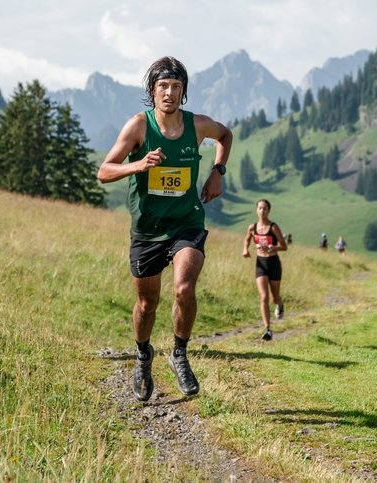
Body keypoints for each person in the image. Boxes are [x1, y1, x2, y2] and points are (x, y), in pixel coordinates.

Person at [97, 56, 233, 401]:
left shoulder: (197, 125)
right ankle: (143, 356)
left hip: (186, 221)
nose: (169, 93)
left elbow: (225, 135)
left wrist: (218, 172)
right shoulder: (138, 127)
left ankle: (180, 353)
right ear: (152, 91)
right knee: (146, 304)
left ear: (183, 92)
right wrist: (139, 165)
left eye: (176, 87)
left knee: (184, 289)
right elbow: (104, 170)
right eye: (163, 86)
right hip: (147, 228)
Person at [242, 199, 287, 341]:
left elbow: (284, 246)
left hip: (273, 263)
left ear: (269, 211)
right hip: (260, 263)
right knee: (264, 297)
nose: (262, 211)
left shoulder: (273, 227)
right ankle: (268, 328)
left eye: (265, 208)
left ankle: (279, 304)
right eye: (260, 208)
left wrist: (273, 247)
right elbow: (247, 239)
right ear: (256, 210)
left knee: (274, 297)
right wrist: (245, 250)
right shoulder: (252, 227)